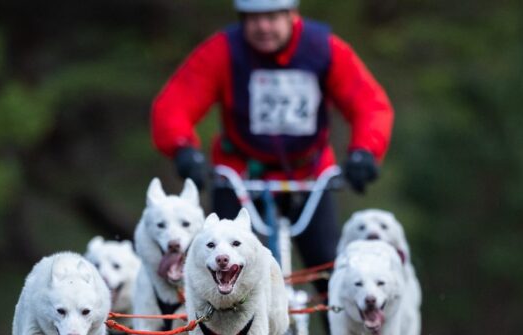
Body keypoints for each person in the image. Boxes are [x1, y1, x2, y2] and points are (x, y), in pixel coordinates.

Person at [150, 0, 394, 298]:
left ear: (292, 15)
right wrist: (183, 148)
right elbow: (174, 104)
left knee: (330, 272)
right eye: (253, 19)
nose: (263, 27)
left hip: (309, 176)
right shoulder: (223, 50)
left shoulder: (324, 49)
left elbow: (370, 104)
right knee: (225, 273)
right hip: (240, 175)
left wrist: (365, 150)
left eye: (271, 17)